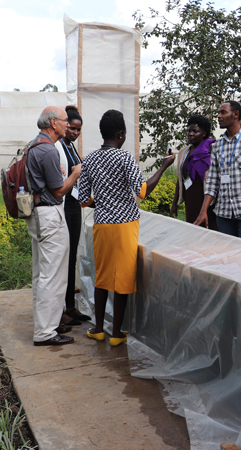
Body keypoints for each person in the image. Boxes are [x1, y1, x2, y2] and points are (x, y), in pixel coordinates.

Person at [78, 109, 175, 347]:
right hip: (125, 226)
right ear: (121, 134)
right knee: (122, 278)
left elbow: (82, 199)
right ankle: (117, 334)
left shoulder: (89, 159)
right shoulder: (124, 158)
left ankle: (99, 329)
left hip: (101, 223)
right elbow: (142, 191)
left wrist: (102, 202)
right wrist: (163, 167)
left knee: (102, 277)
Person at [26, 106, 81, 346]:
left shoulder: (34, 145)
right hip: (50, 215)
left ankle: (45, 326)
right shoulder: (48, 150)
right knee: (53, 276)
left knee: (42, 274)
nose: (67, 125)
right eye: (65, 121)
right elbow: (59, 191)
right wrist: (75, 173)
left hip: (38, 214)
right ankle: (46, 332)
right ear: (52, 123)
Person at [194, 101, 241, 241]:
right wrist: (203, 211)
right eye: (219, 113)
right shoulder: (217, 146)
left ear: (235, 114)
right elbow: (212, 181)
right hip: (223, 215)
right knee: (229, 259)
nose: (218, 116)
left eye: (223, 112)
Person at [55, 106, 91, 326]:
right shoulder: (58, 146)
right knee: (63, 258)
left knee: (72, 258)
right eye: (72, 128)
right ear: (64, 125)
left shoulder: (71, 147)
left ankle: (70, 305)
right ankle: (59, 309)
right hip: (64, 205)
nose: (75, 133)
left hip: (74, 205)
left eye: (78, 130)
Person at [170, 115, 217, 229]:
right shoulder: (183, 152)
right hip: (191, 200)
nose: (190, 134)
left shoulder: (211, 150)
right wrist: (174, 203)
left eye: (195, 131)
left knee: (209, 232)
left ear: (204, 133)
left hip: (207, 201)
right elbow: (180, 179)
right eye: (189, 131)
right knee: (193, 231)